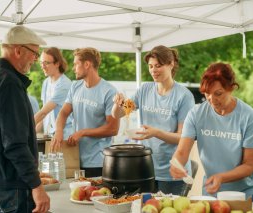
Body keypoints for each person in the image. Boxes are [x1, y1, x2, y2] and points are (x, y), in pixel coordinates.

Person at [0, 25, 50, 213]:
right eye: (34, 53)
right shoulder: (9, 84)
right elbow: (15, 144)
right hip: (13, 183)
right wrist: (36, 186)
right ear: (18, 50)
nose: (35, 59)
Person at [169, 62, 253, 199]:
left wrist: (221, 177)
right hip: (212, 191)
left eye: (218, 93)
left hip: (247, 192)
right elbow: (182, 152)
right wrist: (177, 163)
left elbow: (250, 165)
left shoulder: (249, 116)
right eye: (207, 93)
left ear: (231, 88)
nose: (212, 99)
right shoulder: (196, 114)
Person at [112, 45, 195, 195]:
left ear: (171, 64)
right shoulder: (145, 90)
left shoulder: (184, 96)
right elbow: (118, 114)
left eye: (158, 66)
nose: (153, 70)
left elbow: (183, 138)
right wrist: (118, 103)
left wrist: (156, 132)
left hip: (173, 173)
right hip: (147, 169)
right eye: (150, 66)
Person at [50, 47, 119, 178]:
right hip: (75, 158)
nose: (73, 68)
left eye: (76, 64)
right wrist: (59, 130)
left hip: (99, 162)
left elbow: (113, 128)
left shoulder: (109, 92)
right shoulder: (75, 86)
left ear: (87, 64)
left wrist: (83, 132)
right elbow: (64, 113)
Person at [34, 47, 73, 137]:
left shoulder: (64, 84)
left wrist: (23, 129)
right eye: (41, 63)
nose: (42, 66)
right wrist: (33, 132)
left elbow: (43, 112)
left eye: (46, 63)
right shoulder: (46, 82)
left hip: (64, 136)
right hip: (50, 135)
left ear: (57, 64)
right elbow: (44, 114)